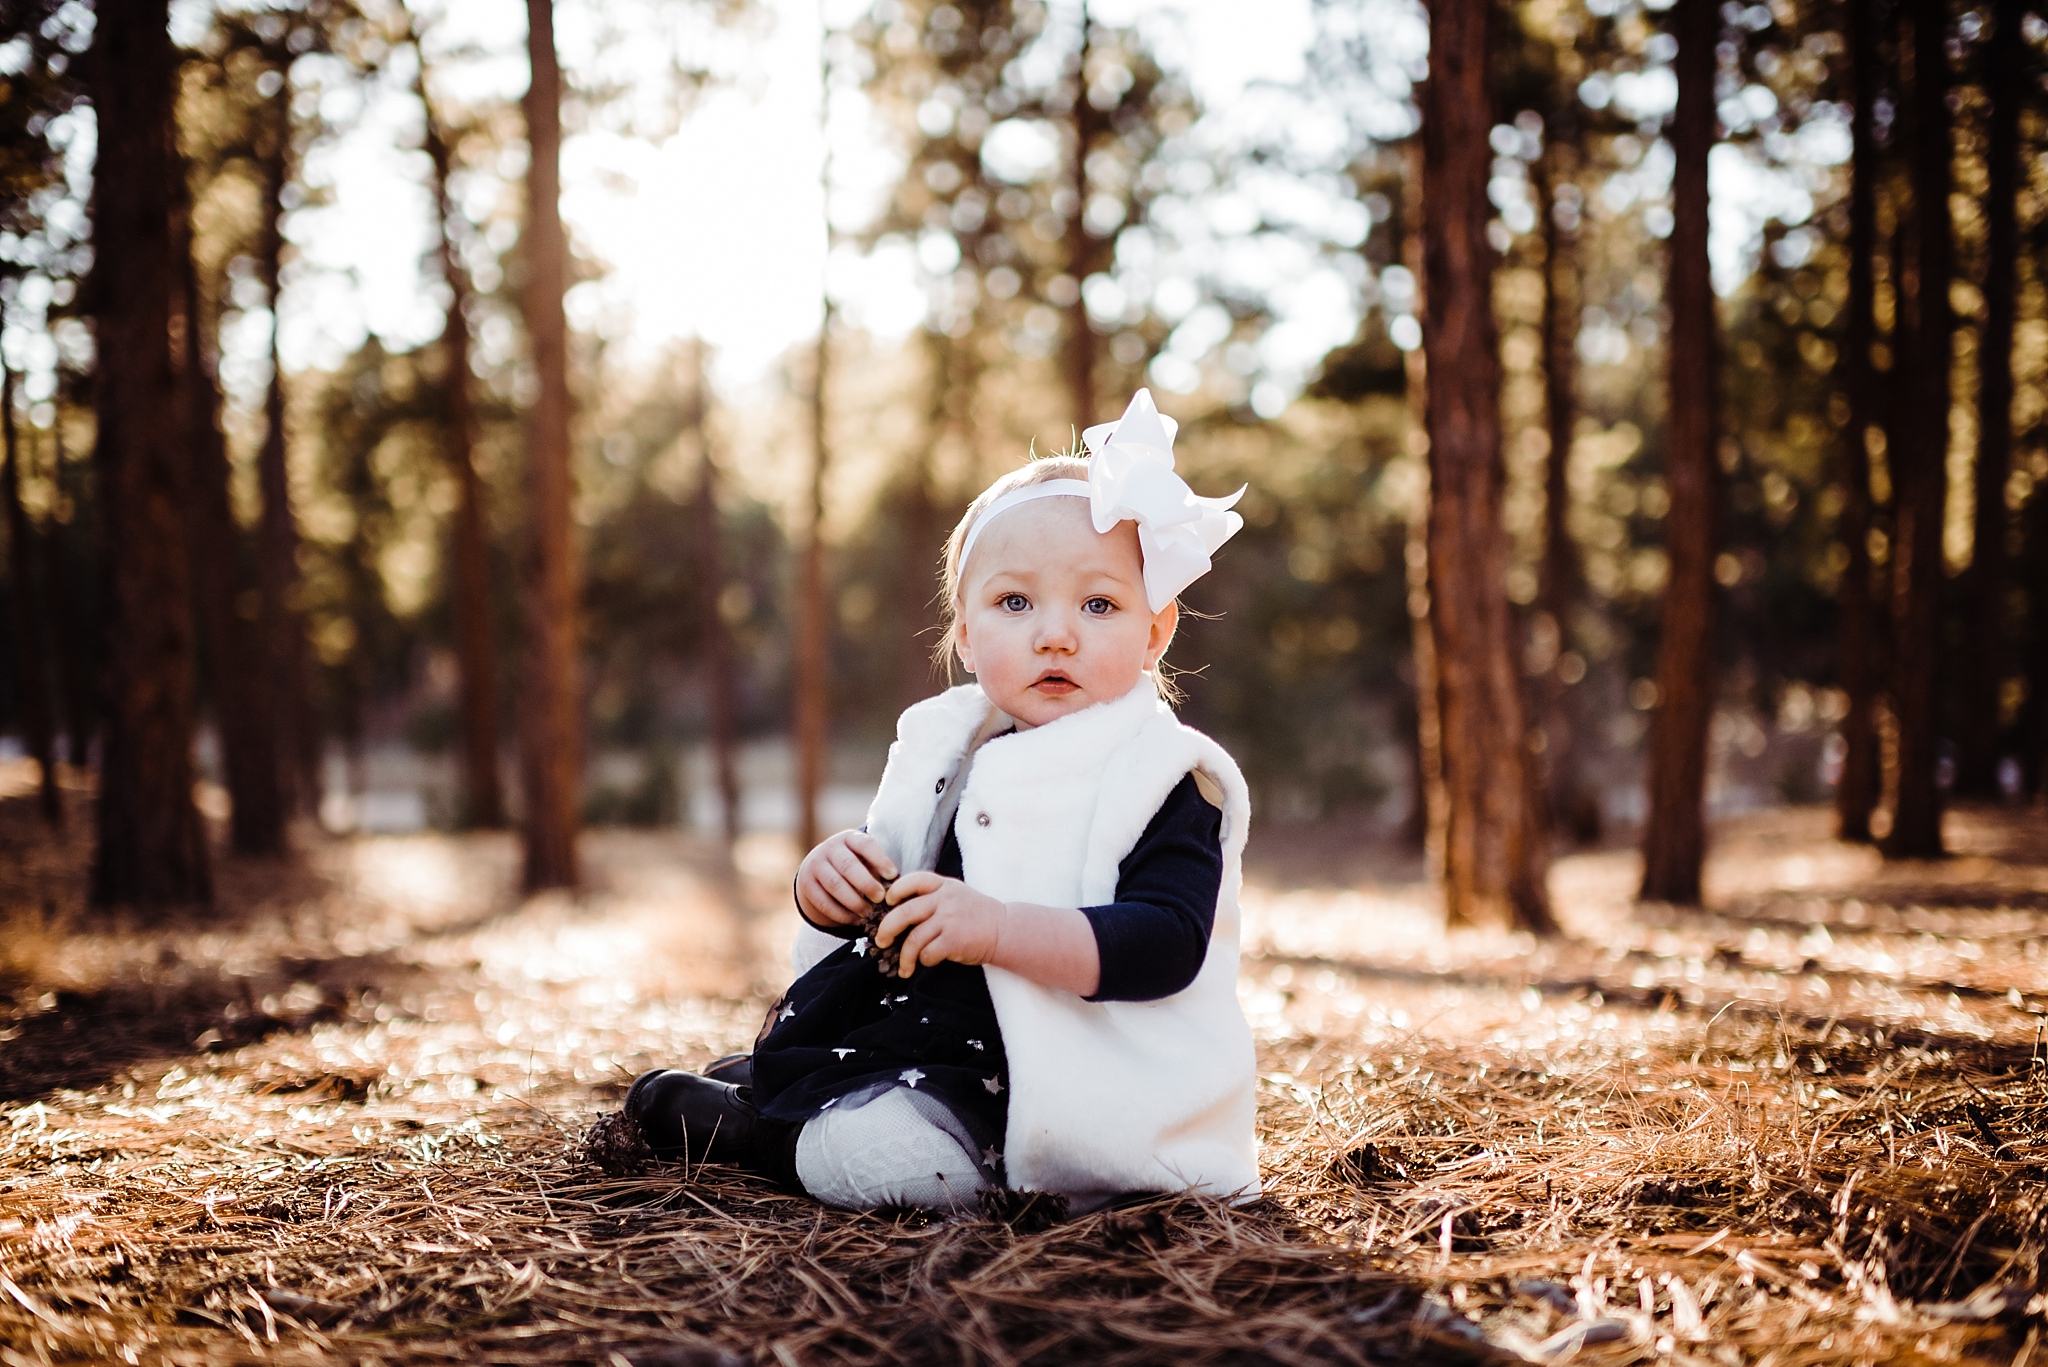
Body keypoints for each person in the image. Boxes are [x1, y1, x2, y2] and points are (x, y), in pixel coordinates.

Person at [626, 390, 1258, 1215]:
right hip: (924, 1037)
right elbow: (895, 873)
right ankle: (792, 1088)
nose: (1055, 634)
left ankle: (768, 1136)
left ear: (1156, 631)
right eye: (1015, 602)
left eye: (1098, 604)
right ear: (964, 630)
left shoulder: (1165, 777)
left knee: (900, 1169)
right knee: (864, 1093)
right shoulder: (954, 749)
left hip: (1057, 1087)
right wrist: (828, 883)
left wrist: (997, 927)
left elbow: (1166, 945)